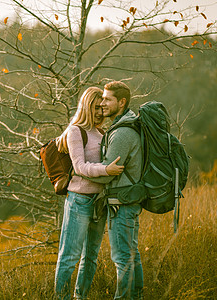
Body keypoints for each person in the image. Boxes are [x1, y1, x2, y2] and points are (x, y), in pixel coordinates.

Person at [54, 86, 124, 300]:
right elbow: (80, 167)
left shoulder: (102, 132)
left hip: (99, 202)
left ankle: (80, 297)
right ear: (85, 107)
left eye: (101, 108)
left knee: (90, 257)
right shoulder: (76, 131)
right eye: (95, 108)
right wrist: (106, 170)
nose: (99, 112)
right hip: (79, 201)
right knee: (69, 256)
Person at [90, 81, 144, 299]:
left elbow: (107, 172)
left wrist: (79, 172)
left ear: (121, 102)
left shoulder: (122, 133)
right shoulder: (126, 125)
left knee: (122, 258)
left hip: (120, 204)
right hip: (127, 201)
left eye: (107, 99)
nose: (102, 103)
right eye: (102, 98)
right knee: (131, 255)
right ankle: (137, 297)